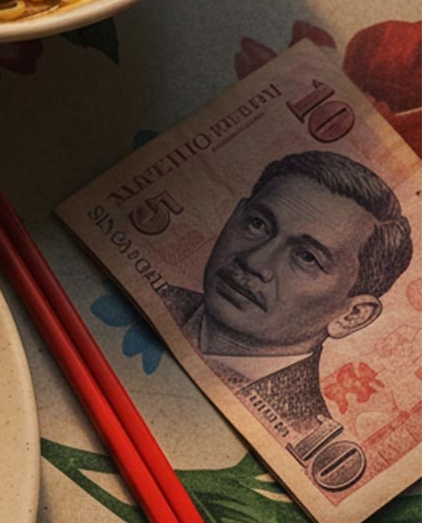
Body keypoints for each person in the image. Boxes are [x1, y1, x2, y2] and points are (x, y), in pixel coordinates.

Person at [159, 150, 413, 438]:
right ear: (235, 215)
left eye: (306, 257)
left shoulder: (303, 430)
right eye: (258, 224)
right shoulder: (157, 301)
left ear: (351, 316)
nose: (254, 262)